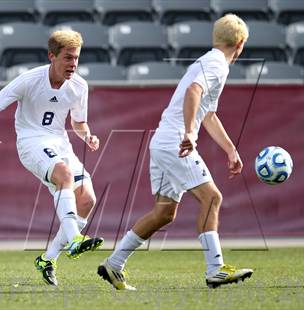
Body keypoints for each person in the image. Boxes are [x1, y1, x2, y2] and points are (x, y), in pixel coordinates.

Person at [97, 14, 253, 290]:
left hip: (163, 141)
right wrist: (190, 133)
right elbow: (194, 92)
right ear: (240, 43)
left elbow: (209, 114)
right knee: (212, 198)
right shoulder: (217, 64)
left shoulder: (209, 61)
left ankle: (114, 263)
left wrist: (230, 149)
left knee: (164, 213)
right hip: (174, 143)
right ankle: (215, 269)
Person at [0, 30, 104, 286]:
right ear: (52, 56)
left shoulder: (79, 85)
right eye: (68, 58)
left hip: (60, 143)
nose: (73, 65)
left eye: (76, 58)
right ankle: (75, 239)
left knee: (88, 200)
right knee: (65, 176)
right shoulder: (29, 80)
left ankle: (48, 258)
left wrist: (88, 136)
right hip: (31, 142)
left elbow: (79, 123)